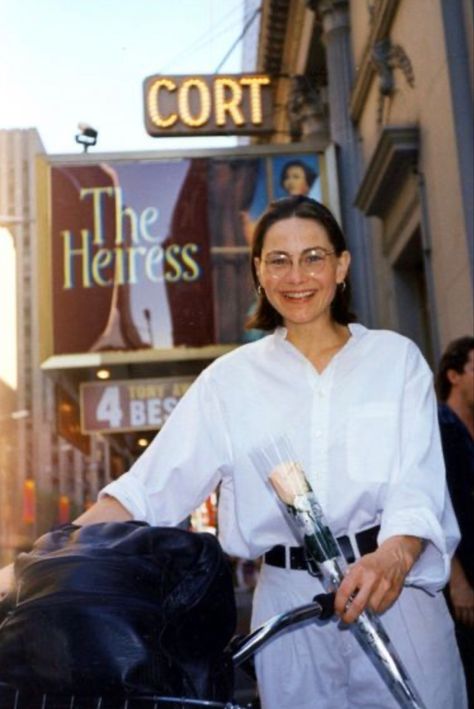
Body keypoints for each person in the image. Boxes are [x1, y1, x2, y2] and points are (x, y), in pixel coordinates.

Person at [0, 196, 466, 708]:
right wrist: (31, 567)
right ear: (258, 272)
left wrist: (394, 557)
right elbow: (144, 493)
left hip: (395, 596)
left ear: (342, 266)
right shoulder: (229, 381)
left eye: (313, 257)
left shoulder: (395, 360)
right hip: (289, 607)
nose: (297, 276)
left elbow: (417, 485)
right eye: (279, 261)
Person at [436, 336, 474, 706]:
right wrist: (458, 580)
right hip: (460, 585)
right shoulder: (440, 427)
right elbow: (436, 505)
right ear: (454, 375)